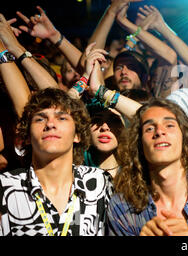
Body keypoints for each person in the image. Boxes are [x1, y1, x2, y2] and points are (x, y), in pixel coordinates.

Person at [105, 98, 188, 236]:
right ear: (139, 144)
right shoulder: (122, 207)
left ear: (185, 137)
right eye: (149, 128)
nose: (159, 132)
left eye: (169, 125)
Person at [0, 88, 112, 236]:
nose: (50, 124)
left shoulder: (99, 183)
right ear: (26, 137)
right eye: (40, 119)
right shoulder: (5, 187)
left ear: (77, 135)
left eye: (62, 118)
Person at [84, 108, 124, 178]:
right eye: (97, 120)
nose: (104, 127)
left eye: (114, 120)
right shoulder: (73, 170)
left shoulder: (138, 170)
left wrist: (111, 97)